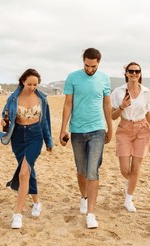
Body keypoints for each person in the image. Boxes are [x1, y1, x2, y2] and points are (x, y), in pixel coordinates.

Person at [59, 48, 112, 229]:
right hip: (77, 131)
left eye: (94, 66)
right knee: (81, 170)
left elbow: (107, 104)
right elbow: (68, 104)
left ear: (99, 63)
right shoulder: (73, 77)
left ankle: (91, 214)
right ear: (83, 62)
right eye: (87, 66)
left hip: (97, 129)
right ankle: (84, 197)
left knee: (92, 171)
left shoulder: (104, 78)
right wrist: (63, 128)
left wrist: (110, 128)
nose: (90, 69)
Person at [0, 68, 53, 229]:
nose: (32, 87)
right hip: (18, 137)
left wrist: (48, 141)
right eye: (29, 84)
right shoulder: (13, 98)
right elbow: (5, 116)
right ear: (23, 81)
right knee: (28, 171)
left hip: (35, 137)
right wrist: (4, 122)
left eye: (35, 84)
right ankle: (36, 202)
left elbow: (46, 122)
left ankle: (17, 214)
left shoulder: (42, 99)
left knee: (23, 172)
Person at [110, 62, 150, 212]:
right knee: (124, 169)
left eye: (137, 71)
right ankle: (128, 183)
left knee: (136, 167)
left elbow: (148, 113)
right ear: (126, 73)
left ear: (140, 73)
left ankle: (129, 199)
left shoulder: (146, 92)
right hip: (124, 128)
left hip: (142, 129)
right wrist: (122, 106)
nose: (134, 74)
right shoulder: (118, 91)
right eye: (131, 71)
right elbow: (112, 116)